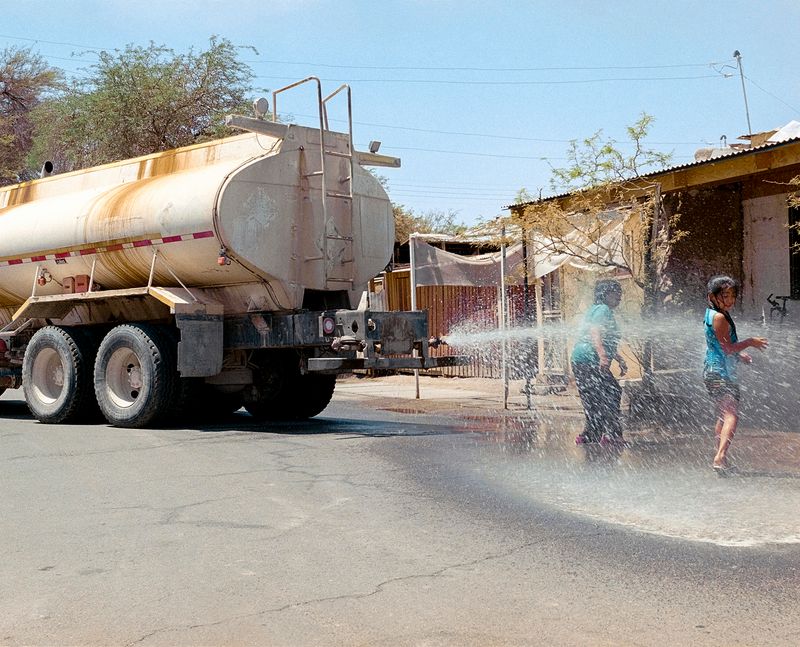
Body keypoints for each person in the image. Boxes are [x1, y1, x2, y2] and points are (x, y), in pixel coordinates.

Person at [703, 275, 768, 474]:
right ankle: (720, 457)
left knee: (724, 416)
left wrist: (740, 356)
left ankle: (720, 459)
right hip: (719, 373)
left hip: (715, 371)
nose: (730, 300)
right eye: (725, 295)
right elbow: (727, 348)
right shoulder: (720, 317)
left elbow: (722, 347)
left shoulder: (714, 313)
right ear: (711, 297)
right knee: (732, 415)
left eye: (733, 295)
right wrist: (749, 342)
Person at [571, 278, 628, 446]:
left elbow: (602, 337)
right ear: (605, 294)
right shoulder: (603, 309)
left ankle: (590, 434)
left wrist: (617, 357)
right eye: (616, 292)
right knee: (612, 392)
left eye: (620, 292)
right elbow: (595, 331)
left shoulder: (595, 309)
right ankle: (611, 434)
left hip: (581, 359)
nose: (620, 296)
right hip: (591, 359)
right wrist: (603, 356)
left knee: (593, 397)